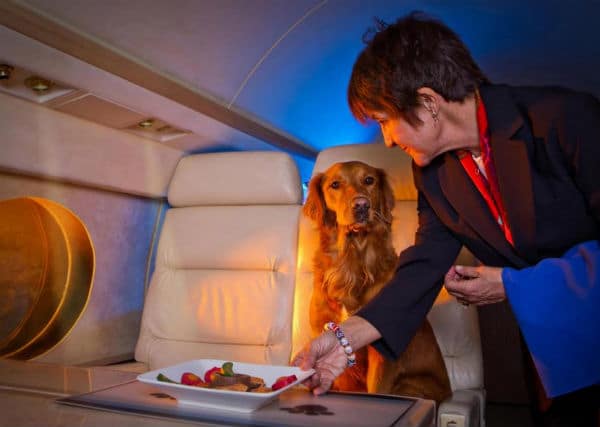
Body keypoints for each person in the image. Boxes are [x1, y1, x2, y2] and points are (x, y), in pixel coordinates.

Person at [292, 11, 599, 427]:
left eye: (384, 121)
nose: (386, 139)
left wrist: (513, 283)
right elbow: (423, 265)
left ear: (427, 103)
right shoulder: (433, 172)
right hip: (552, 345)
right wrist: (345, 341)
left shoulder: (567, 120)